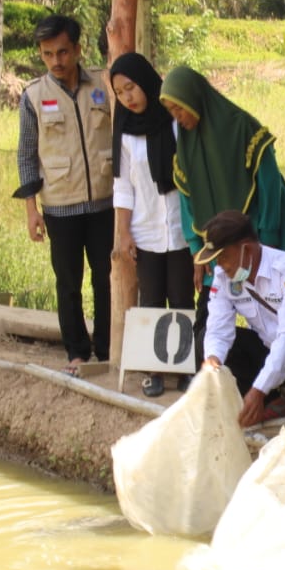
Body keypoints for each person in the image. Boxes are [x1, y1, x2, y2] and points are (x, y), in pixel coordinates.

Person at [13, 14, 113, 375]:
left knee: (107, 279)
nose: (56, 61)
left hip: (105, 205)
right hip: (59, 208)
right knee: (69, 282)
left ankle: (106, 348)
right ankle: (77, 352)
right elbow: (26, 155)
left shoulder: (104, 85)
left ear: (77, 49)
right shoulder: (33, 97)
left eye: (62, 52)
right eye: (47, 54)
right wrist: (31, 209)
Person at [109, 52, 194, 398]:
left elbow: (191, 178)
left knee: (182, 297)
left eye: (131, 87)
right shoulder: (126, 133)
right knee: (151, 299)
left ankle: (186, 368)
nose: (128, 97)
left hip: (179, 229)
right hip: (145, 231)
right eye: (119, 93)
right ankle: (154, 371)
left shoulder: (174, 123)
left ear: (146, 82)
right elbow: (123, 186)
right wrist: (123, 232)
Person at [197, 211, 285, 432]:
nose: (220, 265)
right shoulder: (223, 277)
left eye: (223, 256)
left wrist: (259, 389)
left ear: (246, 249)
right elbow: (218, 329)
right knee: (206, 341)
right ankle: (274, 403)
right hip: (268, 352)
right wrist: (213, 360)